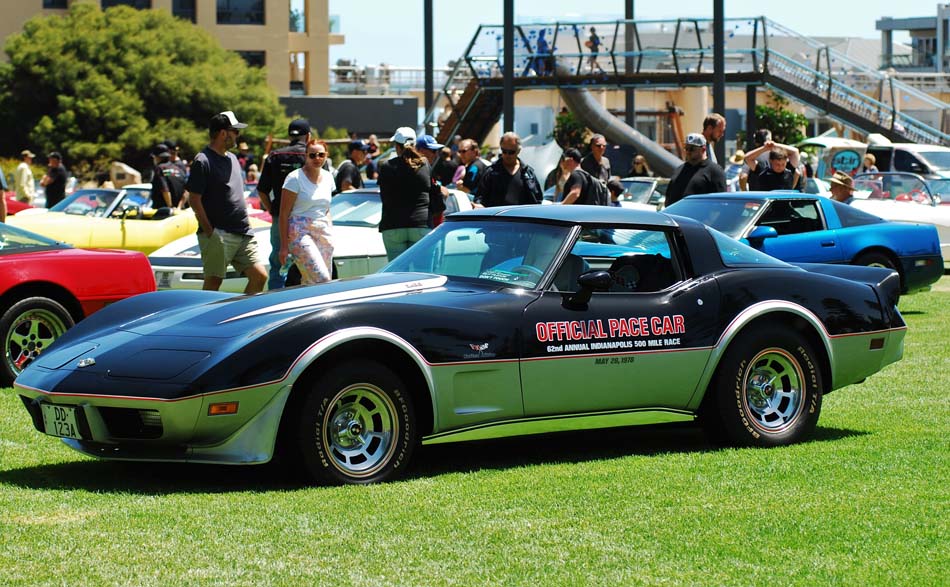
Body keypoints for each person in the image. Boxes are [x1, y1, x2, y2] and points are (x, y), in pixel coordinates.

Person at [185, 111, 266, 294]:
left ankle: (243, 312)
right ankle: (205, 314)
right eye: (235, 131)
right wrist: (210, 231)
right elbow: (194, 199)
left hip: (243, 231)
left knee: (260, 276)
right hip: (219, 234)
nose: (238, 135)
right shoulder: (202, 160)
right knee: (213, 284)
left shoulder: (233, 158)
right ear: (223, 133)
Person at [257, 118, 312, 290]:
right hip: (307, 218)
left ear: (289, 136)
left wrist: (273, 210)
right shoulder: (313, 156)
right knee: (309, 262)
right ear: (308, 136)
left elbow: (262, 190)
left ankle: (276, 298)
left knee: (278, 262)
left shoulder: (275, 156)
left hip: (280, 218)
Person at [279, 139, 334, 285]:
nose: (317, 158)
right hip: (300, 231)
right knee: (322, 279)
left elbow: (326, 208)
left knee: (317, 281)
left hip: (323, 231)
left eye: (321, 155)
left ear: (326, 155)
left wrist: (330, 229)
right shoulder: (294, 178)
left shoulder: (328, 177)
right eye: (312, 155)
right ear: (305, 156)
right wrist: (284, 246)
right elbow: (283, 214)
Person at [377, 126, 431, 261]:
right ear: (414, 145)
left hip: (393, 225)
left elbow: (384, 197)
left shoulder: (386, 166)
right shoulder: (424, 164)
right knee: (421, 270)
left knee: (397, 271)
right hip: (420, 223)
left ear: (397, 146)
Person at [474, 132, 543, 207]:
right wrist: (479, 206)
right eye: (504, 151)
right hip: (497, 214)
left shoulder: (527, 173)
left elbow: (537, 199)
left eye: (511, 152)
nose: (507, 155)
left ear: (518, 151)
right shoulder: (491, 172)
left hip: (522, 214)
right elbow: (479, 198)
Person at [665, 133, 727, 206]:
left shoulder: (715, 171)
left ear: (703, 149)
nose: (688, 152)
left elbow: (721, 202)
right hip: (675, 213)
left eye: (692, 149)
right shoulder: (679, 170)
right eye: (686, 148)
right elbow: (668, 196)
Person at [415, 134, 450, 226]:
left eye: (437, 151)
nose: (436, 155)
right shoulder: (418, 170)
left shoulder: (426, 168)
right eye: (433, 151)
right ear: (420, 151)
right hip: (422, 224)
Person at [149, 144, 187, 211]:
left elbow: (165, 189)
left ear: (157, 157)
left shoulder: (159, 168)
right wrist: (179, 207)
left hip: (163, 212)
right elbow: (187, 190)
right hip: (180, 211)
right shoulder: (178, 168)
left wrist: (170, 207)